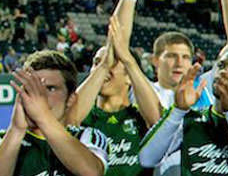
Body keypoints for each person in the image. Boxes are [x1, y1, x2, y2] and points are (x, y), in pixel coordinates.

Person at [138, 49, 228, 175]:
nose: (224, 72)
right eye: (221, 66)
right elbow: (146, 159)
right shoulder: (191, 119)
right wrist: (177, 110)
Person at [64, 16, 162, 176]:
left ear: (129, 76)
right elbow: (68, 120)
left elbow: (158, 121)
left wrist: (128, 61)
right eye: (97, 62)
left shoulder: (140, 118)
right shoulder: (84, 118)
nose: (104, 66)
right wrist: (103, 67)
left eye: (113, 61)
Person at [0, 50, 109, 176]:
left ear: (70, 99)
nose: (41, 96)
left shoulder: (87, 137)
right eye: (33, 88)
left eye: (51, 88)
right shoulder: (5, 140)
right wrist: (16, 130)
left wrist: (42, 116)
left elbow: (92, 173)